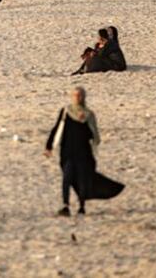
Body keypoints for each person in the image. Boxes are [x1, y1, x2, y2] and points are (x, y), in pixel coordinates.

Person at [45, 87, 99, 216]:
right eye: (75, 95)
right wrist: (49, 146)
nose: (77, 98)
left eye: (79, 95)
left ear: (83, 97)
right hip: (67, 152)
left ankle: (82, 207)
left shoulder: (89, 115)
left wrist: (83, 123)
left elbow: (94, 136)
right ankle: (66, 206)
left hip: (83, 153)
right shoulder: (66, 111)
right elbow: (57, 128)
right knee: (67, 178)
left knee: (81, 180)